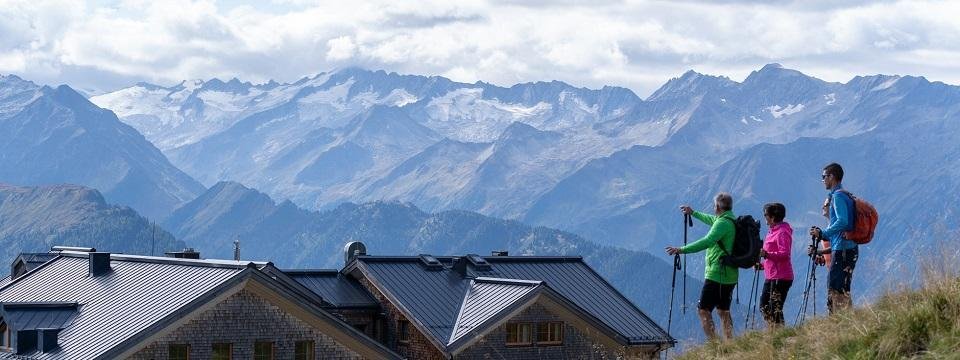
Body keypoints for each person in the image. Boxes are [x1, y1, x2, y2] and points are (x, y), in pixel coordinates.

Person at [665, 192, 739, 340]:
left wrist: (681, 249)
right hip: (730, 275)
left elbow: (707, 241)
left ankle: (716, 346)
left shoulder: (722, 223)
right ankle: (730, 344)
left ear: (717, 206)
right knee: (723, 310)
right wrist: (693, 213)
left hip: (717, 273)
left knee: (703, 310)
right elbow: (712, 220)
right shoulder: (730, 220)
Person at [809, 163, 858, 313]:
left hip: (843, 250)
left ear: (832, 177)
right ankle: (846, 321)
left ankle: (840, 322)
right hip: (847, 248)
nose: (823, 180)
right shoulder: (845, 194)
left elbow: (842, 221)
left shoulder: (837, 197)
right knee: (841, 288)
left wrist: (823, 233)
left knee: (835, 288)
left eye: (824, 177)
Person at [758, 203, 793, 328]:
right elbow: (773, 256)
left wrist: (766, 255)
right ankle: (774, 331)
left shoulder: (782, 232)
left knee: (774, 309)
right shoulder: (772, 231)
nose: (764, 217)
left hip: (781, 277)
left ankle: (779, 334)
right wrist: (762, 265)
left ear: (773, 217)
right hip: (772, 275)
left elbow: (784, 254)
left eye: (765, 215)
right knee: (764, 306)